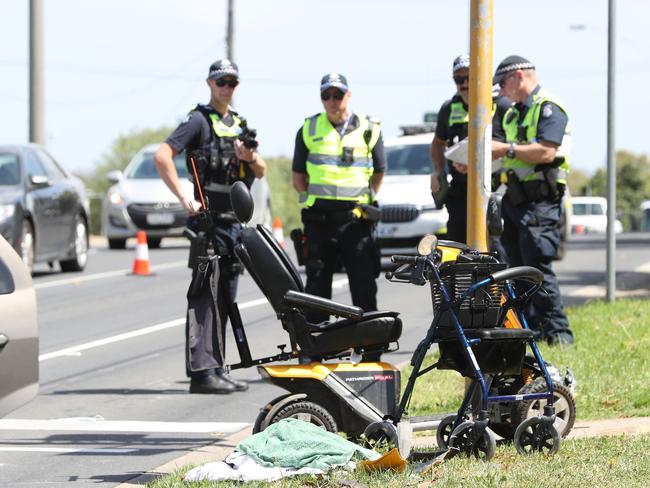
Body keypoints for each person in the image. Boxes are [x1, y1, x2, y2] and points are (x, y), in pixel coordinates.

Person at [155, 59, 267, 392]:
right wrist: (184, 197)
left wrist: (249, 158)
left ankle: (217, 366)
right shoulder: (198, 122)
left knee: (225, 296)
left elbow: (260, 170)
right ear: (209, 83)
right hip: (208, 223)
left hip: (233, 223)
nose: (226, 88)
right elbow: (162, 155)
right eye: (221, 82)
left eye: (232, 82)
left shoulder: (240, 124)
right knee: (205, 296)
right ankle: (202, 373)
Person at [491, 55, 573, 346]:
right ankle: (530, 333)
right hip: (515, 201)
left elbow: (546, 152)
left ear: (519, 77)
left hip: (540, 203)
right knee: (516, 272)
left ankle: (559, 333)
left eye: (502, 83)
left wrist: (506, 149)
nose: (501, 91)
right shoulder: (515, 112)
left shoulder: (548, 107)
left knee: (538, 270)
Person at [292, 73, 385, 325]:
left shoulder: (369, 129)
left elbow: (379, 172)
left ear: (349, 96)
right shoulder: (309, 129)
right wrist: (311, 198)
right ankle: (315, 353)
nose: (332, 101)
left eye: (338, 95)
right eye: (326, 95)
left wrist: (365, 197)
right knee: (316, 291)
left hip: (355, 222)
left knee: (364, 287)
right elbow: (298, 176)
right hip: (319, 223)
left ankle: (369, 351)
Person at [430, 54, 512, 244]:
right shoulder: (449, 108)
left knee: (496, 250)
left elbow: (513, 146)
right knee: (458, 251)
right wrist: (438, 171)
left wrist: (478, 164)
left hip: (496, 190)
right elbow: (437, 143)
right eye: (459, 79)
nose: (464, 83)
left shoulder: (502, 105)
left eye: (469, 78)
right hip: (461, 192)